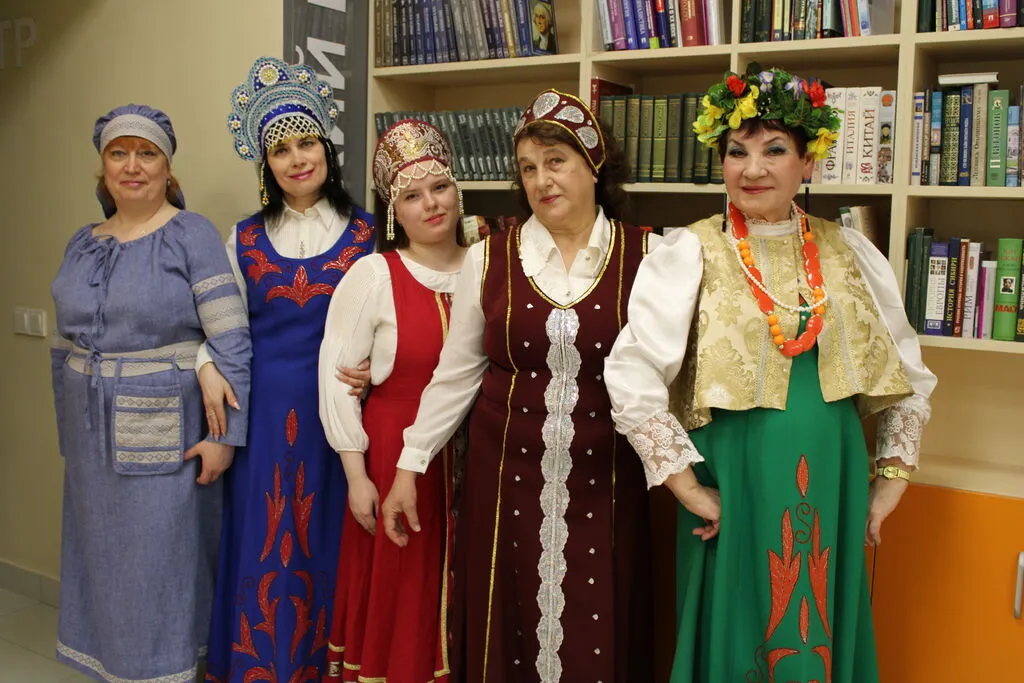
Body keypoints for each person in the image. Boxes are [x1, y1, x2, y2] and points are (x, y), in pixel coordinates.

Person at [603, 67, 938, 683]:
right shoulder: (689, 250)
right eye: (737, 152)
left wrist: (890, 479)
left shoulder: (850, 250)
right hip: (734, 473)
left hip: (832, 473)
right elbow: (633, 371)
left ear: (808, 162)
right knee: (742, 628)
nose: (752, 169)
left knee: (818, 628)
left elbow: (906, 368)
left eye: (774, 151)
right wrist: (688, 488)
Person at [381, 89, 655, 683]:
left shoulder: (649, 256)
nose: (541, 180)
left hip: (611, 482)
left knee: (601, 632)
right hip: (504, 482)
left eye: (556, 162)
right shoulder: (488, 259)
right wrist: (409, 466)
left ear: (594, 164)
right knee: (506, 631)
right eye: (528, 169)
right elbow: (455, 376)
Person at [50, 104, 251, 682]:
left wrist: (226, 438)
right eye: (119, 154)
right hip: (89, 443)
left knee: (162, 566)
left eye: (147, 154)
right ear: (103, 168)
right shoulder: (82, 242)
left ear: (167, 168)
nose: (132, 166)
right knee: (99, 561)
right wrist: (69, 435)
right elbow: (64, 345)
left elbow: (232, 340)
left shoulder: (191, 235)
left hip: (166, 433)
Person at [201, 56, 375, 683]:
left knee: (328, 543)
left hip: (339, 422)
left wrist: (376, 367)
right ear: (265, 164)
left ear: (326, 147)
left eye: (307, 142)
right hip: (264, 420)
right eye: (281, 150)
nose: (297, 159)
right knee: (263, 541)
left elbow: (391, 323)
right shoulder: (243, 238)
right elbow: (217, 327)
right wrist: (205, 367)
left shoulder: (368, 234)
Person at [319, 118, 466, 683]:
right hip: (393, 456)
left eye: (440, 187)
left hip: (474, 459)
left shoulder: (489, 265)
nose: (431, 204)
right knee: (403, 587)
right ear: (393, 213)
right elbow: (336, 377)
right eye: (412, 195)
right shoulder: (374, 276)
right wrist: (357, 476)